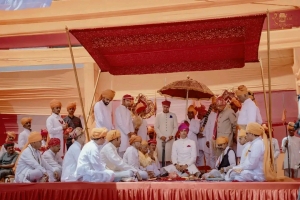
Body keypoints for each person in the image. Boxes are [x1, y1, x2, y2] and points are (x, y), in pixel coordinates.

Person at [235, 85, 257, 163]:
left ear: (245, 95)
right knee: (241, 157)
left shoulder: (251, 104)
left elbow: (251, 122)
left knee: (245, 157)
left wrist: (246, 136)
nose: (238, 99)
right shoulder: (245, 104)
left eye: (239, 97)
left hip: (245, 135)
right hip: (242, 133)